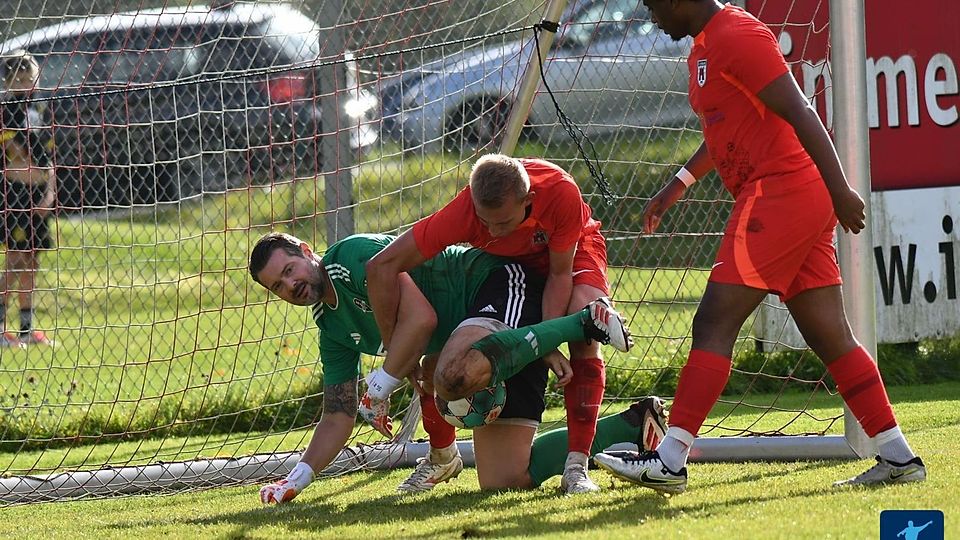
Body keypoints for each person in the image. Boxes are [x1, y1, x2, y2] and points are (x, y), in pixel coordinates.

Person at [593, 0, 926, 494]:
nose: (651, 15)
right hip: (791, 193)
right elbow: (728, 129)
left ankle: (670, 458)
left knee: (713, 321)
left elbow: (800, 108)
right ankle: (898, 456)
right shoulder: (706, 44)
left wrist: (840, 188)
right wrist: (679, 183)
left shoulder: (736, 34)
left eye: (653, 3)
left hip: (781, 191)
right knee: (830, 335)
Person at [247, 232, 648, 503]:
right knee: (503, 479)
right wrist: (296, 478)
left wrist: (381, 384)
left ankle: (584, 321)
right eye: (277, 287)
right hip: (469, 340)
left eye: (288, 270)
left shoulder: (349, 257)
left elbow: (421, 320)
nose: (289, 286)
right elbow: (337, 414)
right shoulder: (330, 326)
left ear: (305, 250)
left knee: (446, 374)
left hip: (494, 283)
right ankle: (635, 423)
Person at [366, 154, 615, 494]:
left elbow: (559, 273)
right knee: (498, 481)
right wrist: (397, 357)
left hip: (571, 254)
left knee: (586, 322)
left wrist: (549, 342)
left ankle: (577, 468)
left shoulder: (559, 192)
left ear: (528, 201)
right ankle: (442, 455)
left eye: (502, 222)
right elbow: (382, 265)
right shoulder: (465, 212)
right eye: (486, 223)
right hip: (510, 275)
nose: (493, 230)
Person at [0, 50, 56, 347]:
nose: (25, 83)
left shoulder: (41, 108)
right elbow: (18, 152)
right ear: (8, 83)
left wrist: (49, 192)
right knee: (15, 261)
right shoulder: (8, 112)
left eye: (29, 77)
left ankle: (25, 329)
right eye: (18, 79)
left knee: (31, 261)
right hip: (15, 197)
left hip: (38, 196)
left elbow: (49, 158)